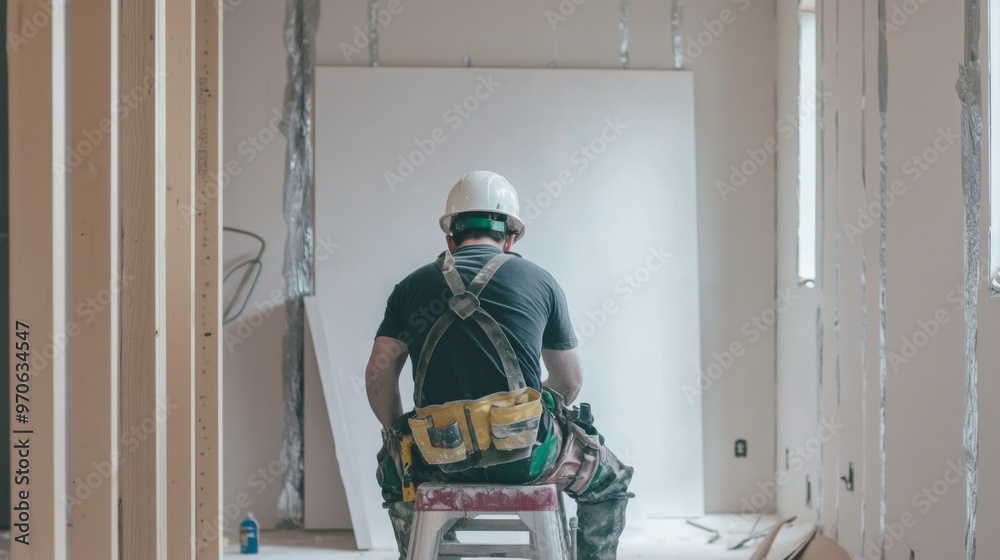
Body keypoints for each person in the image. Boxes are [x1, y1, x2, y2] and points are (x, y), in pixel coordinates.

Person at [365, 170, 633, 560]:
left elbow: (378, 372)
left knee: (397, 476)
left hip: (437, 460)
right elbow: (569, 382)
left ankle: (436, 551)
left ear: (450, 238)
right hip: (527, 458)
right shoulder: (540, 281)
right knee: (611, 481)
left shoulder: (410, 287)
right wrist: (524, 409)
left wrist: (398, 432)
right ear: (510, 238)